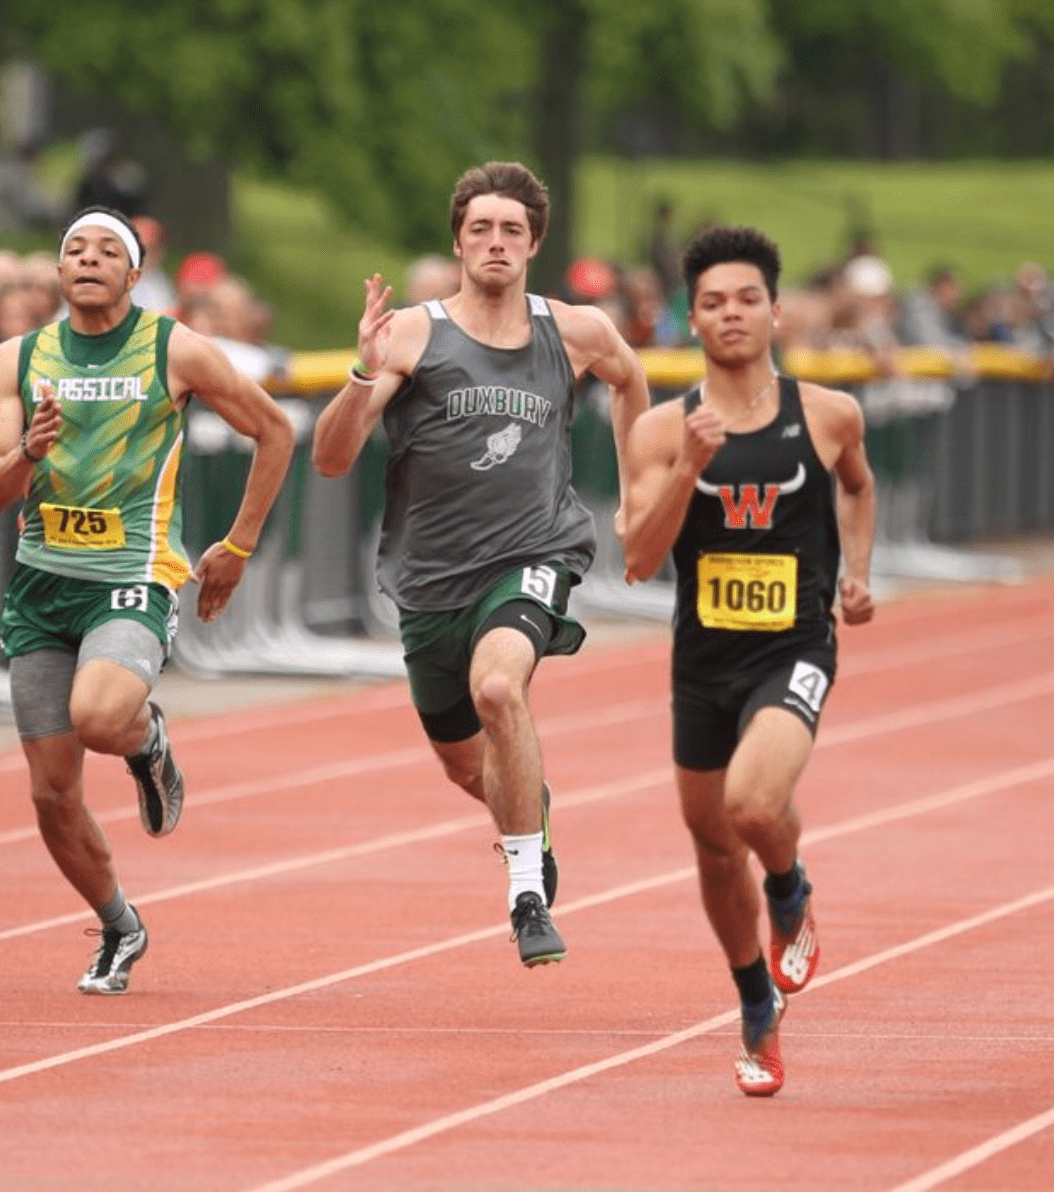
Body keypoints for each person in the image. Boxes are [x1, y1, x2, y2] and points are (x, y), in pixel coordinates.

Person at [311, 161, 649, 968]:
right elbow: (330, 459)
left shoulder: (573, 331)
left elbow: (632, 381)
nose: (495, 243)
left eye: (511, 231)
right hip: (430, 580)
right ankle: (529, 813)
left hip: (535, 554)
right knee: (474, 770)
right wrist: (361, 374)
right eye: (480, 230)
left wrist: (640, 495)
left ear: (534, 244)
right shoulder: (412, 336)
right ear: (458, 241)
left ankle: (526, 892)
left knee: (499, 686)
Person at [0, 206, 294, 994]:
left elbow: (276, 430)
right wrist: (28, 452)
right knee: (52, 795)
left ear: (134, 271)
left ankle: (146, 741)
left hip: (133, 573)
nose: (88, 259)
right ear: (57, 272)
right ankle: (120, 925)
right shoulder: (15, 360)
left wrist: (238, 546)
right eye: (74, 249)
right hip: (42, 583)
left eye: (107, 250)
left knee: (99, 714)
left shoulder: (172, 348)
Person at [618, 225, 876, 1097]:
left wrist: (860, 572)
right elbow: (639, 558)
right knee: (711, 842)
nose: (732, 315)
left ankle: (793, 889)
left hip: (794, 650)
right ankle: (754, 1002)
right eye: (714, 303)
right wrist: (689, 467)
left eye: (748, 299)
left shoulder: (829, 415)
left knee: (754, 805)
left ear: (775, 311)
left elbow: (859, 485)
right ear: (692, 320)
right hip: (702, 664)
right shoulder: (662, 430)